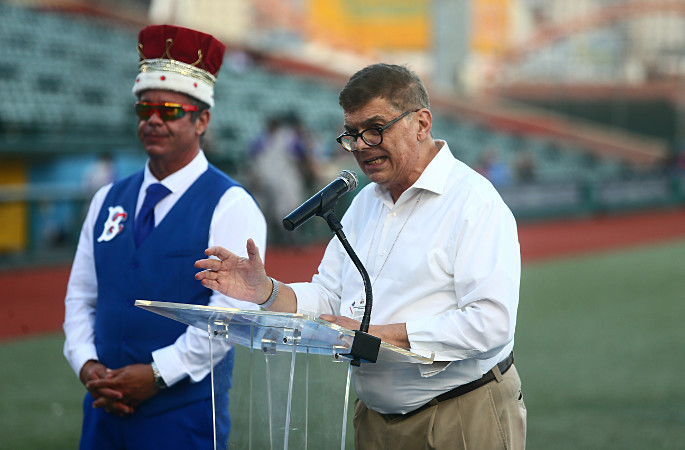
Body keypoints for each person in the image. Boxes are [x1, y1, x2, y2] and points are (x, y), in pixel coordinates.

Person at [195, 63, 526, 449]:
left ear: (421, 124)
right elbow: (331, 297)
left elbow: (491, 323)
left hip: (461, 415)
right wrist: (266, 291)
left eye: (375, 129)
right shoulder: (364, 203)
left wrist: (375, 337)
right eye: (352, 134)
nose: (362, 145)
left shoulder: (474, 201)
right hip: (373, 420)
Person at [62, 24, 266, 449]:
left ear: (202, 119)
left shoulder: (230, 203)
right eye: (144, 109)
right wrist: (87, 364)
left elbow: (228, 316)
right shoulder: (107, 198)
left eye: (170, 110)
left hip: (182, 418)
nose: (153, 120)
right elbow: (81, 294)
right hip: (103, 412)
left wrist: (157, 373)